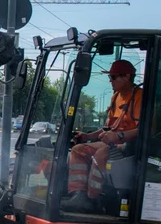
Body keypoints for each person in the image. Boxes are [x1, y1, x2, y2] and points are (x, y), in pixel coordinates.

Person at [61, 59, 143, 213]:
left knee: (101, 154)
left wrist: (119, 136)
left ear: (126, 77)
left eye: (113, 77)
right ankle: (78, 196)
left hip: (130, 145)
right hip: (112, 142)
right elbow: (107, 127)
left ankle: (94, 200)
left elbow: (143, 130)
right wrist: (87, 136)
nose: (110, 81)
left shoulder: (139, 97)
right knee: (78, 150)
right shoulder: (115, 97)